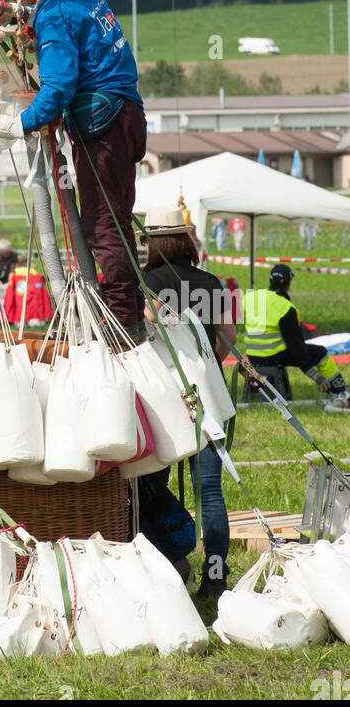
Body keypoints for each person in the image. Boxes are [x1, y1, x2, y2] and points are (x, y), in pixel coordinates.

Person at [0, 0, 145, 332]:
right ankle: (131, 315)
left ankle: (122, 325)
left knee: (102, 226)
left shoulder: (55, 11)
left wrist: (21, 123)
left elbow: (57, 88)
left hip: (103, 124)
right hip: (127, 112)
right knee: (117, 220)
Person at [141, 206, 236, 598]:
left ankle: (166, 561)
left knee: (150, 483)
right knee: (209, 490)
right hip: (210, 396)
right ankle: (215, 574)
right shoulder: (214, 282)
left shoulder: (146, 280)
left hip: (164, 399)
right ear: (185, 239)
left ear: (152, 242)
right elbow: (227, 341)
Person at [242, 263, 348, 412]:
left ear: (269, 279)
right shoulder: (286, 308)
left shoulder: (250, 297)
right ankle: (340, 392)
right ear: (288, 283)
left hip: (253, 356)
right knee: (320, 352)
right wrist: (314, 374)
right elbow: (296, 347)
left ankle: (267, 393)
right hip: (274, 355)